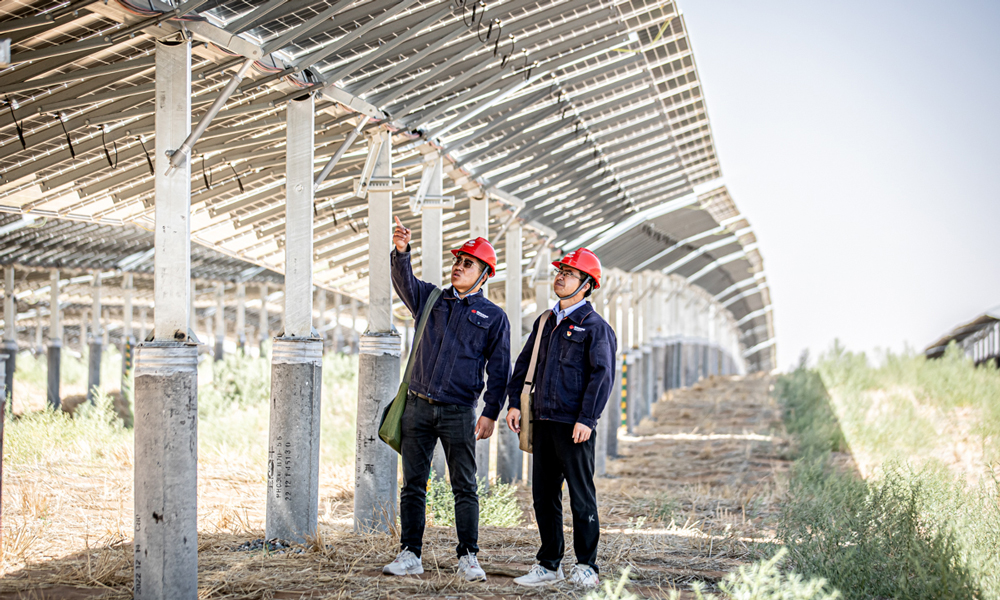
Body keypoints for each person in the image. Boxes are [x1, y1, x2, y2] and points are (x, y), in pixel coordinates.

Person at [382, 216, 511, 582]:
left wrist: (490, 413)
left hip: (458, 412)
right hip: (418, 407)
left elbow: (499, 371)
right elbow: (403, 281)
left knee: (464, 486)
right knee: (413, 485)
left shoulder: (493, 317)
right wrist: (402, 252)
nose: (458, 266)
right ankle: (410, 554)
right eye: (457, 261)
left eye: (467, 263)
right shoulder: (432, 299)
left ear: (485, 274)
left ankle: (468, 556)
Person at [505, 248, 616, 588]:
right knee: (543, 496)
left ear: (586, 285)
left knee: (581, 496)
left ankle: (587, 566)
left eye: (569, 273)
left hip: (574, 426)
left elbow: (603, 375)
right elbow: (525, 364)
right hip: (543, 421)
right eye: (560, 271)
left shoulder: (595, 327)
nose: (560, 276)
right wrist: (514, 404)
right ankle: (549, 564)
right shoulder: (545, 322)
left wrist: (587, 418)